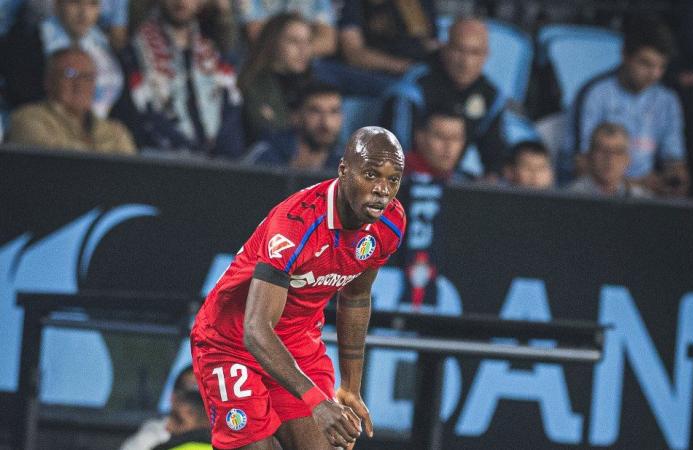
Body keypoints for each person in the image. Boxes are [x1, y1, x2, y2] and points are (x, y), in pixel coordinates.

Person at [190, 126, 406, 449]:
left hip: (298, 344)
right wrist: (316, 402)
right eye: (371, 174)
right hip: (231, 342)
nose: (382, 190)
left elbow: (356, 295)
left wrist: (350, 385)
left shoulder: (390, 223)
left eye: (392, 179)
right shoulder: (296, 225)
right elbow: (255, 329)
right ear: (344, 171)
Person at [564, 16, 689, 197]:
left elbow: (675, 160)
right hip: (594, 196)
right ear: (625, 55)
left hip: (646, 199)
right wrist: (635, 184)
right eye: (645, 63)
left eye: (661, 67)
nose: (654, 74)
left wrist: (675, 179)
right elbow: (580, 166)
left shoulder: (667, 100)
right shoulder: (594, 93)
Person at [113, 0, 245, 158]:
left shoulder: (215, 53)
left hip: (219, 169)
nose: (181, 1)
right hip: (163, 166)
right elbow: (142, 117)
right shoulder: (136, 53)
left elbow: (231, 114)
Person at [383, 18, 508, 180]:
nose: (466, 62)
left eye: (475, 52)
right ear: (445, 48)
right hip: (406, 182)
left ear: (486, 55)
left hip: (452, 182)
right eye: (459, 50)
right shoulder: (414, 85)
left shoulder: (491, 96)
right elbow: (394, 154)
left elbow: (494, 160)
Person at [0, 0, 124, 118]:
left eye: (92, 4)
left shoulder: (103, 47)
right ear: (57, 5)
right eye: (75, 2)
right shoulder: (26, 42)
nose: (84, 13)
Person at [395, 109, 466, 309]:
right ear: (420, 137)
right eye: (440, 137)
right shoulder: (392, 177)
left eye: (456, 138)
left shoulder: (467, 183)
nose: (448, 146)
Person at [6, 47, 135, 154]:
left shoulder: (116, 132)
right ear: (49, 81)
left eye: (87, 76)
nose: (79, 83)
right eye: (70, 74)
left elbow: (130, 175)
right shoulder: (28, 120)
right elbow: (58, 163)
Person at [238, 12, 315, 144]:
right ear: (273, 43)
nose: (303, 50)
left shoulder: (314, 83)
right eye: (294, 41)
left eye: (307, 42)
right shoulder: (253, 83)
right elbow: (263, 132)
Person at [242, 82, 343, 170]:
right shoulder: (268, 155)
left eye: (334, 112)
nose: (326, 122)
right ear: (297, 117)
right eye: (315, 111)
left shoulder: (345, 165)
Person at [120, 365, 200, 450]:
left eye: (202, 399)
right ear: (173, 398)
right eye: (190, 397)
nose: (197, 406)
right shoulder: (150, 439)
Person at [568, 122, 651, 198]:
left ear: (627, 159)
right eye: (603, 150)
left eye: (618, 152)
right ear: (590, 156)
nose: (610, 158)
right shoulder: (570, 197)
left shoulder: (642, 199)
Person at [238, 0, 337, 58]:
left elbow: (328, 42)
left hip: (307, 63)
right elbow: (256, 35)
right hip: (262, 60)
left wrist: (298, 53)